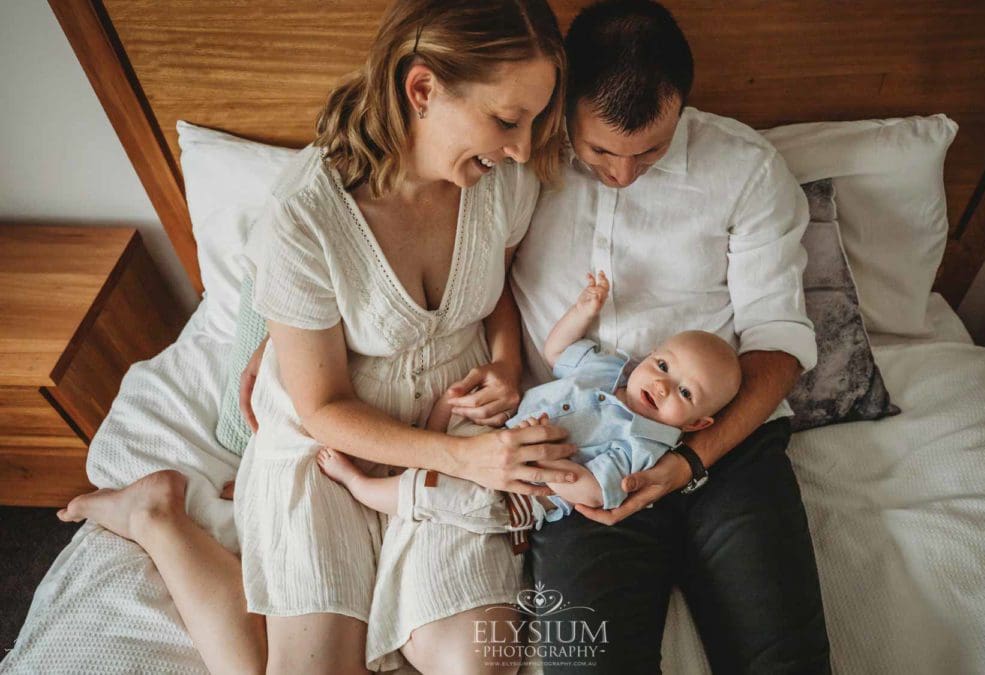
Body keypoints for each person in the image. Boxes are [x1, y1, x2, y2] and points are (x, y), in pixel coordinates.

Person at [55, 1, 572, 673]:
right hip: (335, 438)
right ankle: (159, 515)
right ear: (422, 89)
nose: (523, 147)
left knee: (475, 664)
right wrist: (463, 462)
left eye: (534, 119)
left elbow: (492, 281)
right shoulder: (306, 214)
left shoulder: (500, 179)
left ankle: (163, 518)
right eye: (507, 119)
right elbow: (322, 405)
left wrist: (504, 360)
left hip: (459, 416)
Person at [509, 1, 832, 672]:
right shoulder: (515, 159)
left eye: (649, 150)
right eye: (600, 151)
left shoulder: (745, 169)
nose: (622, 172)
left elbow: (778, 343)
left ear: (681, 105)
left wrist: (692, 459)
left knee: (785, 660)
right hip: (583, 439)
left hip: (726, 443)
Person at [316, 269, 742, 544]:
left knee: (430, 492)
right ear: (650, 355)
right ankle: (428, 440)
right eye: (664, 365)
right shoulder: (610, 372)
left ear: (698, 422)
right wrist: (581, 311)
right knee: (458, 406)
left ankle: (362, 486)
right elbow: (558, 351)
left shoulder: (645, 443)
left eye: (685, 393)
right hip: (501, 434)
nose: (664, 386)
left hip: (516, 492)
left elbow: (596, 492)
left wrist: (543, 461)